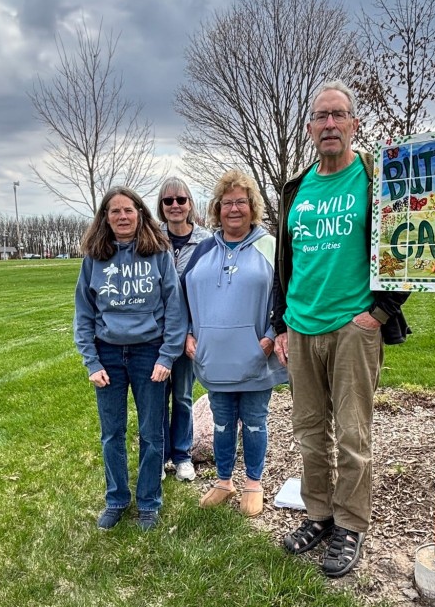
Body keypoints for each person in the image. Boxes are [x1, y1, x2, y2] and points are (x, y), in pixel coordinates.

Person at [273, 82, 410, 576]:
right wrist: (281, 323)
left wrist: (380, 312)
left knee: (352, 435)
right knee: (310, 432)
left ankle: (350, 525)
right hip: (302, 328)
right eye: (321, 117)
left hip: (354, 327)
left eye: (339, 115)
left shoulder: (374, 180)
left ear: (353, 124)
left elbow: (405, 248)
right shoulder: (297, 189)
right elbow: (284, 264)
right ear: (309, 128)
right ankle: (319, 516)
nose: (330, 124)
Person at [74, 186, 187, 532]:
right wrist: (92, 362)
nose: (122, 217)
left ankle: (149, 503)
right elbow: (83, 314)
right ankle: (117, 499)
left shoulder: (159, 253)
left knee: (152, 433)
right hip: (107, 354)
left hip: (149, 353)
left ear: (140, 213)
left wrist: (167, 356)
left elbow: (174, 309)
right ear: (105, 219)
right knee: (112, 433)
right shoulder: (95, 257)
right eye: (114, 212)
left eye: (128, 210)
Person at [183, 170, 287, 517]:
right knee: (222, 421)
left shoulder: (271, 246)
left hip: (256, 356)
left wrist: (272, 337)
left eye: (241, 201)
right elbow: (181, 296)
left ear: (252, 206)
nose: (234, 209)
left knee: (255, 420)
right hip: (213, 358)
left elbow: (286, 293)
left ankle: (253, 483)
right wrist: (187, 334)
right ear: (217, 208)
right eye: (227, 203)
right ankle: (224, 481)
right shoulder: (202, 251)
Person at [156, 177, 211, 482]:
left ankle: (182, 455)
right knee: (156, 396)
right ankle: (160, 454)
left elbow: (205, 290)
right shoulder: (150, 238)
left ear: (190, 203)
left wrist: (191, 331)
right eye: (168, 201)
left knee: (182, 396)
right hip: (155, 334)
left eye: (181, 200)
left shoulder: (206, 241)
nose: (175, 205)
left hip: (189, 331)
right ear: (161, 206)